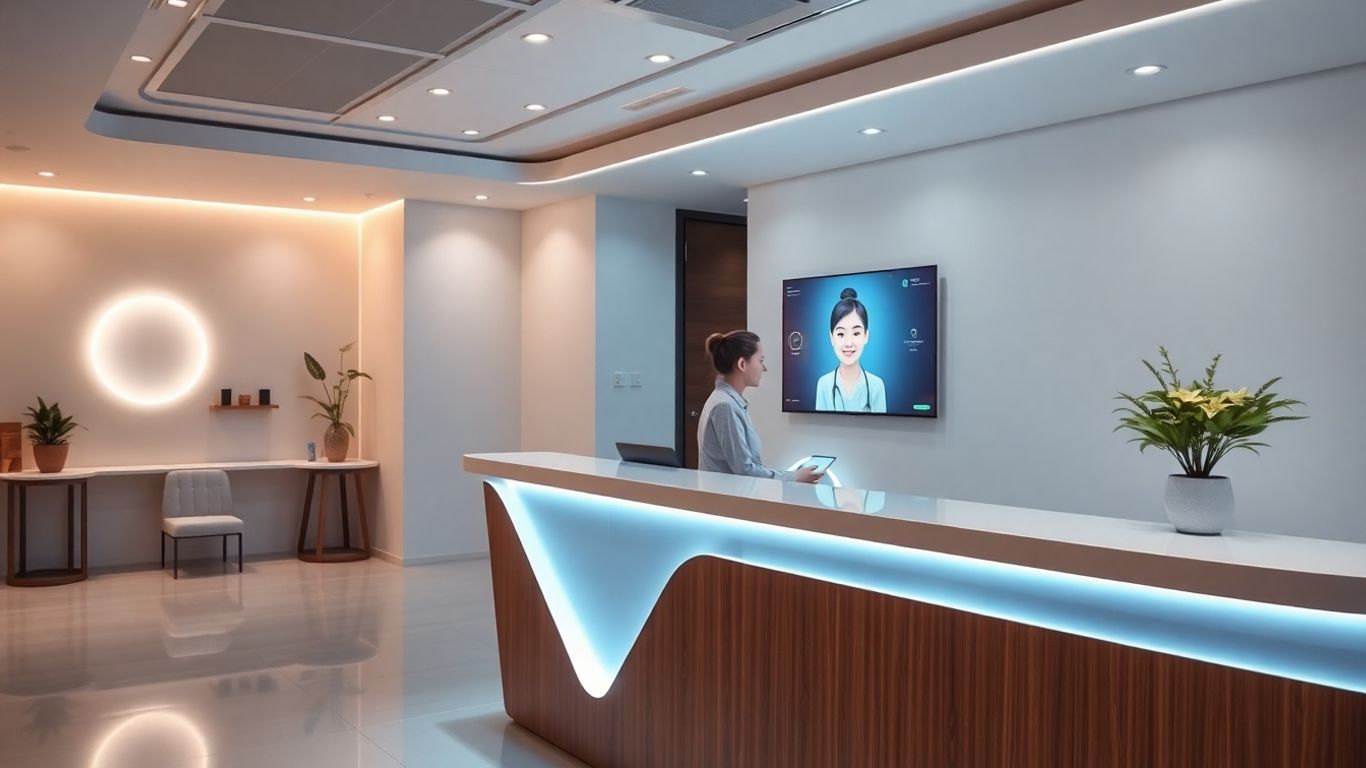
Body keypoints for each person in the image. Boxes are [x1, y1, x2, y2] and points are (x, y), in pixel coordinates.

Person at [698, 331, 824, 483]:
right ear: (742, 364)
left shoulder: (726, 401)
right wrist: (794, 477)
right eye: (760, 360)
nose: (764, 368)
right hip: (728, 500)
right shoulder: (726, 406)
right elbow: (744, 470)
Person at [815, 288, 887, 413]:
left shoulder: (876, 385)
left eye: (856, 333)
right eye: (841, 334)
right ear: (831, 338)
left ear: (866, 336)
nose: (849, 343)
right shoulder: (823, 384)